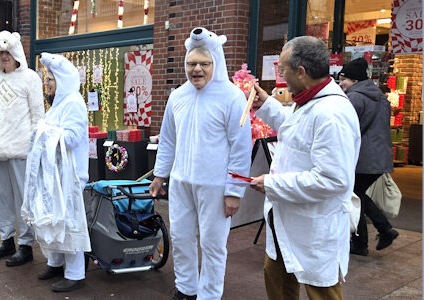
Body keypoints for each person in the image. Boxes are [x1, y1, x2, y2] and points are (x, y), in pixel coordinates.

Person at [249, 36, 361, 299]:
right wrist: (265, 104)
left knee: (320, 290)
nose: (282, 77)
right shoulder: (312, 101)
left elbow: (334, 180)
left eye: (284, 69)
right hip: (287, 218)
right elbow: (296, 131)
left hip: (313, 226)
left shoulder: (331, 113)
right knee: (276, 276)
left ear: (301, 71)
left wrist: (273, 184)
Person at [148, 27, 252, 300]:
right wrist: (160, 175)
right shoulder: (177, 97)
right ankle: (186, 288)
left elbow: (241, 147)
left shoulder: (232, 97)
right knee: (181, 239)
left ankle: (209, 294)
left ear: (215, 63)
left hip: (216, 186)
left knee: (213, 244)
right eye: (191, 64)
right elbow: (168, 139)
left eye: (204, 64)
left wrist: (234, 191)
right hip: (181, 183)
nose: (197, 69)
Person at [22, 52, 91, 293]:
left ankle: (75, 272)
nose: (47, 83)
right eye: (47, 78)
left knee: (68, 221)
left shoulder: (73, 103)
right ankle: (55, 261)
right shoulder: (59, 103)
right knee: (53, 218)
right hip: (55, 173)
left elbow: (71, 138)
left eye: (51, 79)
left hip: (69, 175)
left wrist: (44, 132)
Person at [0, 30, 46, 267]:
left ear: (16, 52)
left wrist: (34, 146)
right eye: (1, 53)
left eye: (8, 52)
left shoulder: (30, 78)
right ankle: (6, 238)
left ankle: (26, 244)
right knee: (2, 197)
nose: (4, 56)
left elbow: (38, 115)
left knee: (23, 198)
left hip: (21, 149)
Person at [338, 58, 398, 256]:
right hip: (379, 156)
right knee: (357, 194)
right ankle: (376, 233)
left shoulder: (354, 98)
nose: (341, 84)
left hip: (364, 157)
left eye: (344, 79)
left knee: (353, 195)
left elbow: (350, 129)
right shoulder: (379, 96)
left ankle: (368, 238)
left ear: (354, 80)